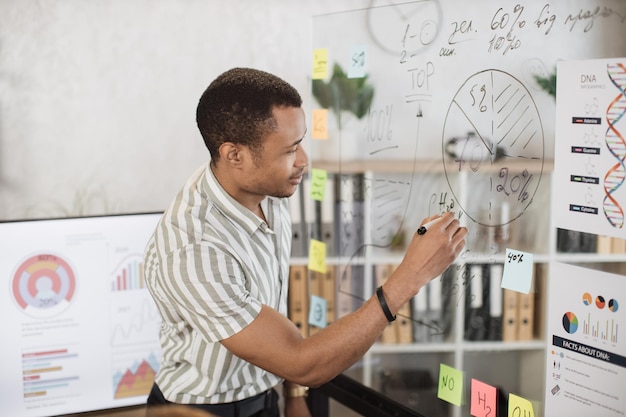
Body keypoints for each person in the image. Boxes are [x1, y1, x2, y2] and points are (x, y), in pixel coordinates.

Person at [143, 67, 467, 417]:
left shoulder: (267, 192)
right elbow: (299, 361)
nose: (304, 161)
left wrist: (294, 395)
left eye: (302, 143)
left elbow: (272, 310)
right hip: (200, 411)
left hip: (266, 398)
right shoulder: (195, 249)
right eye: (289, 150)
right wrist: (411, 276)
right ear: (234, 155)